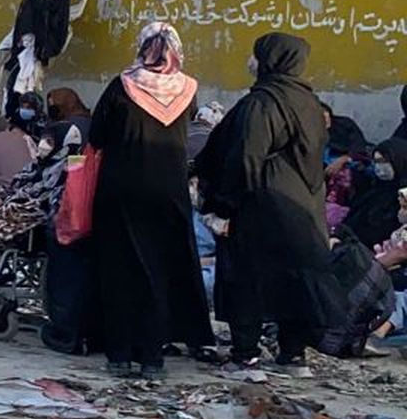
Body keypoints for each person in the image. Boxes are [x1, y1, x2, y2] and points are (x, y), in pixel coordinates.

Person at [196, 33, 346, 375]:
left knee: (246, 278)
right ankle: (293, 355)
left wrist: (224, 204)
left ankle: (245, 355)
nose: (251, 61)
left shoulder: (263, 103)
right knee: (293, 281)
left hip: (261, 205)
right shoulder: (308, 102)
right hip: (303, 206)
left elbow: (246, 156)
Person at [88, 23, 215, 379]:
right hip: (169, 192)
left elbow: (97, 135)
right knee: (160, 270)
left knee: (120, 269)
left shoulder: (122, 85)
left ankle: (119, 355)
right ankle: (152, 357)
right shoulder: (188, 90)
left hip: (121, 190)